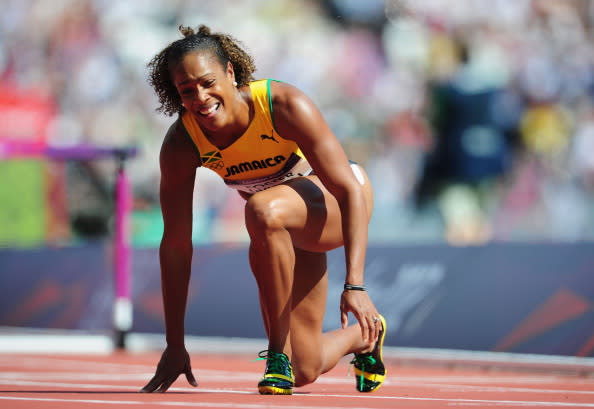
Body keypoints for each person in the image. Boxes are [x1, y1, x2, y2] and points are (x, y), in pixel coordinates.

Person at [140, 24, 387, 395]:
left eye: (207, 82)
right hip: (282, 228)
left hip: (339, 202)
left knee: (260, 208)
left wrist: (355, 284)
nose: (201, 98)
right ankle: (366, 336)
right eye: (186, 91)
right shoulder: (181, 144)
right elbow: (176, 247)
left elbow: (347, 189)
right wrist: (175, 343)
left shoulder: (282, 104)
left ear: (230, 72)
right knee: (305, 368)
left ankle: (275, 357)